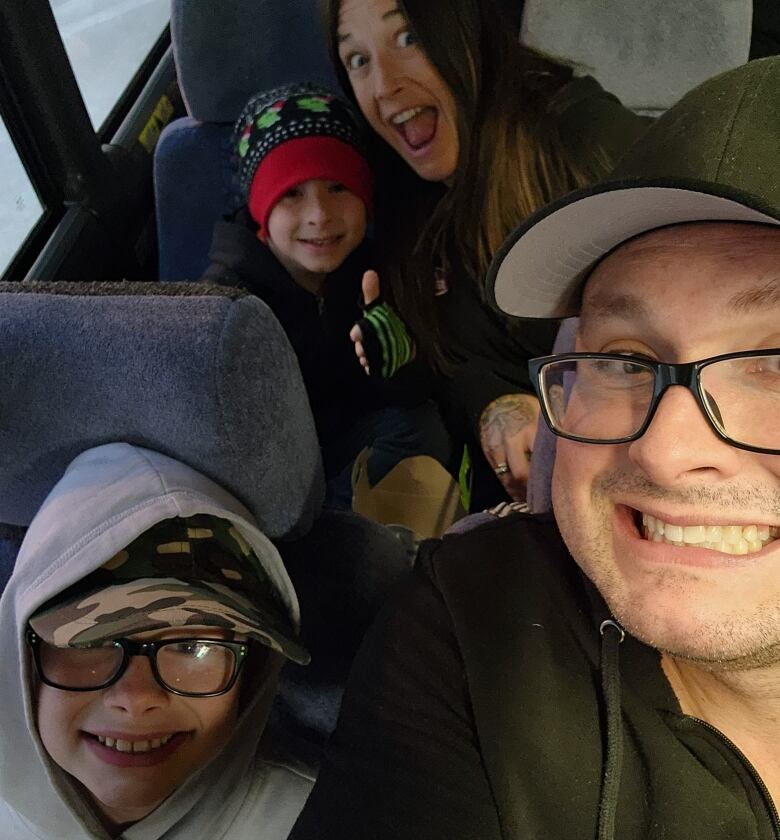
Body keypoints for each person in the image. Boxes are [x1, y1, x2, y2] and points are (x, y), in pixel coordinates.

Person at [289, 57, 780, 839]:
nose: (662, 449)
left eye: (775, 363)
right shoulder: (474, 634)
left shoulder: (559, 132)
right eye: (623, 358)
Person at [326, 0, 650, 509]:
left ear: (464, 31)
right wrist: (489, 404)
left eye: (408, 38)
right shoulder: (400, 201)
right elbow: (455, 366)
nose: (384, 85)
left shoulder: (581, 141)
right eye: (358, 60)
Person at [0, 442, 314, 839]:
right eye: (89, 643)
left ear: (250, 672)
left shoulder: (319, 819)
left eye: (191, 647)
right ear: (22, 661)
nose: (136, 698)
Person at [202, 81, 451, 509]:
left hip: (346, 449)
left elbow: (412, 397)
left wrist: (396, 363)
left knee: (423, 426)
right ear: (261, 209)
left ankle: (341, 539)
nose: (320, 215)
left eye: (338, 188)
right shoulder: (225, 305)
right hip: (267, 475)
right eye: (292, 194)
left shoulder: (375, 271)